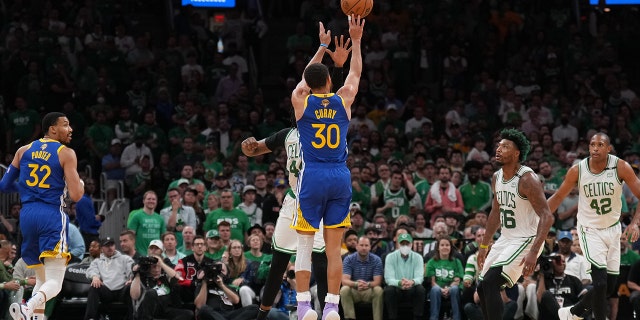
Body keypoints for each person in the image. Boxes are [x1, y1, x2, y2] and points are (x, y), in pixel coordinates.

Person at [289, 16, 364, 320]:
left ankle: (305, 305)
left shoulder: (301, 101)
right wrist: (356, 40)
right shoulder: (343, 99)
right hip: (339, 175)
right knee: (334, 250)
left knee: (305, 246)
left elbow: (306, 79)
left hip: (313, 176)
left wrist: (322, 47)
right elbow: (356, 73)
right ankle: (332, 305)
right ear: (331, 81)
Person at [0, 112, 84, 320]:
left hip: (27, 215)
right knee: (55, 282)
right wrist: (80, 184)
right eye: (66, 125)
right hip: (51, 215)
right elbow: (76, 195)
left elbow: (4, 186)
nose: (70, 129)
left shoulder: (23, 150)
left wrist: (28, 188)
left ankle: (33, 317)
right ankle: (28, 307)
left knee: (41, 278)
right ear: (52, 129)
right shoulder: (66, 153)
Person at [547, 132, 640, 320]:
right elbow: (557, 197)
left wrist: (635, 223)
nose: (595, 148)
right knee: (600, 284)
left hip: (613, 229)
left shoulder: (621, 167)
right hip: (590, 229)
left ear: (608, 148)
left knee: (610, 286)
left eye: (600, 145)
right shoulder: (577, 170)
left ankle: (573, 313)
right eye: (592, 144)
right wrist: (537, 215)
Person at [476, 128, 554, 320]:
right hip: (507, 238)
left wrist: (534, 252)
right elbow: (495, 212)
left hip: (526, 238)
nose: (499, 149)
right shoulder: (497, 177)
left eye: (505, 146)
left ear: (517, 153)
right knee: (482, 286)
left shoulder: (527, 179)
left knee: (492, 282)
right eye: (499, 145)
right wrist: (484, 245)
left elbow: (547, 216)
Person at [130, 251, 192, 320]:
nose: (156, 269)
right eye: (154, 267)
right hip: (147, 313)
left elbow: (177, 278)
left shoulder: (164, 276)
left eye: (158, 266)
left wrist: (161, 263)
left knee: (188, 314)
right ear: (148, 267)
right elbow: (134, 296)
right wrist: (137, 274)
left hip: (165, 311)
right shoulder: (142, 278)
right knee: (151, 292)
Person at [84, 237, 135, 320]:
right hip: (107, 292)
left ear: (114, 246)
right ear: (102, 249)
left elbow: (131, 269)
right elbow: (91, 270)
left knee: (131, 286)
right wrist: (95, 277)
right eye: (107, 246)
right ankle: (90, 318)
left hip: (122, 290)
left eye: (111, 245)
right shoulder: (97, 261)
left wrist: (132, 278)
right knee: (94, 287)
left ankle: (132, 318)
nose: (110, 248)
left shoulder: (125, 259)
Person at [383, 233, 425, 320]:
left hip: (412, 288)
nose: (405, 246)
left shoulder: (418, 257)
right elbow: (388, 278)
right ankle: (392, 317)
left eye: (407, 244)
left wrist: (411, 282)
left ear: (411, 244)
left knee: (420, 289)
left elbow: (420, 278)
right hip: (397, 288)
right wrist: (399, 282)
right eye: (402, 244)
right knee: (389, 289)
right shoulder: (390, 257)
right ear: (398, 244)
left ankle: (417, 317)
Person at [340, 236, 383, 320]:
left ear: (370, 247)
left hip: (369, 290)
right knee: (344, 289)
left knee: (378, 290)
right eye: (361, 245)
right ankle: (350, 318)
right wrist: (356, 284)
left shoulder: (376, 260)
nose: (364, 248)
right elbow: (344, 281)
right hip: (354, 290)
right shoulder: (348, 259)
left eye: (366, 245)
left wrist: (367, 284)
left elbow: (378, 282)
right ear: (357, 246)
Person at [426, 237, 463, 320]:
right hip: (436, 288)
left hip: (452, 288)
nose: (445, 247)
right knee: (435, 289)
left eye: (447, 245)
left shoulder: (456, 262)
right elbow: (432, 282)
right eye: (442, 245)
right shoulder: (431, 262)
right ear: (438, 248)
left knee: (454, 289)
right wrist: (441, 289)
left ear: (451, 247)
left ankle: (457, 318)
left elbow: (457, 280)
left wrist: (449, 288)